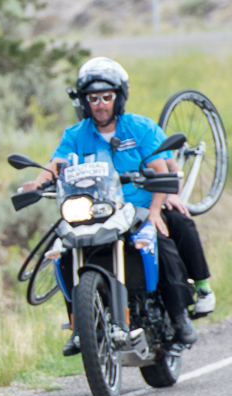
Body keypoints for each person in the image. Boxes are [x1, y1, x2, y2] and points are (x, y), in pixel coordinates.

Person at [21, 57, 208, 352]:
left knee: (161, 241)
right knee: (66, 252)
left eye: (106, 97)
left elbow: (163, 171)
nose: (100, 104)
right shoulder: (76, 135)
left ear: (118, 97)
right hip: (96, 211)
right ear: (84, 101)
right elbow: (56, 163)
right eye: (93, 98)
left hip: (138, 209)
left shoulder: (139, 128)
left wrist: (156, 212)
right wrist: (38, 181)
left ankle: (179, 315)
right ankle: (79, 324)